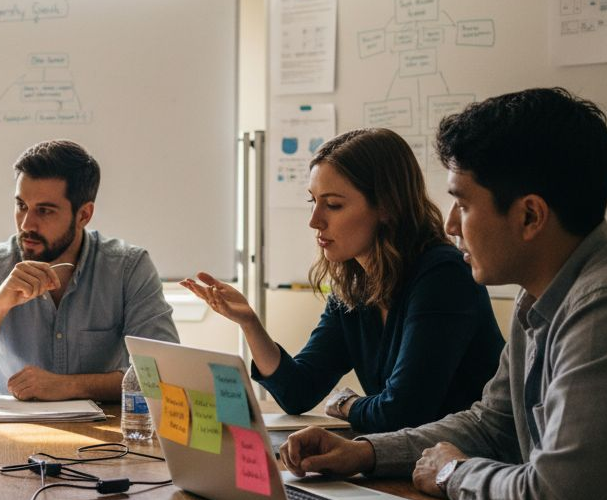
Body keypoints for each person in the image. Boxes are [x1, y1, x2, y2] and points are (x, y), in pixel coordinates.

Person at [279, 88, 607, 500]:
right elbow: (490, 424)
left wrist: (454, 473)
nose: (450, 225)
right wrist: (364, 452)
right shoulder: (540, 295)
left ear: (529, 217)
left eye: (462, 203)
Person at [182, 128, 503, 433]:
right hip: (406, 462)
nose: (314, 220)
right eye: (314, 201)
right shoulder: (355, 284)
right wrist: (250, 323)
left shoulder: (442, 276)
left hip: (463, 469)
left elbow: (402, 413)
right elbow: (297, 393)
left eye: (333, 205)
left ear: (387, 207)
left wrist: (346, 404)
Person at [0, 140, 178, 401]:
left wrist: (69, 386)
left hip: (102, 435)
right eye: (21, 206)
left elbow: (163, 377)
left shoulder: (128, 268)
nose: (27, 224)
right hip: (5, 435)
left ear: (84, 215)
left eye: (45, 211)